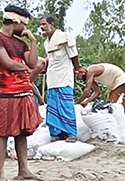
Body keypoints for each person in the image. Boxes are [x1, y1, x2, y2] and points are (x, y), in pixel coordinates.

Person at [0, 5, 43, 181]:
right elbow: (7, 63)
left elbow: (33, 62)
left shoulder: (21, 43)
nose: (26, 29)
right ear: (16, 22)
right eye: (24, 25)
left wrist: (33, 41)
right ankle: (0, 173)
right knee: (3, 132)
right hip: (7, 92)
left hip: (24, 92)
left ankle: (23, 170)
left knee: (22, 133)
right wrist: (25, 67)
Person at [40, 14, 80, 142]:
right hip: (52, 78)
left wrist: (77, 69)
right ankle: (57, 133)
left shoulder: (64, 38)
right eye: (40, 25)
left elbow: (74, 55)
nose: (42, 27)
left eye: (44, 24)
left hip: (64, 76)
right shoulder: (46, 42)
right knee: (53, 105)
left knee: (65, 104)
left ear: (52, 25)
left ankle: (71, 133)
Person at [75, 63, 125, 135]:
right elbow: (97, 92)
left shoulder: (91, 71)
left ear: (81, 72)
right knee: (114, 108)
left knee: (114, 108)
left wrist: (77, 103)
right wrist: (87, 101)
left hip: (121, 82)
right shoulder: (91, 75)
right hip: (116, 86)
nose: (80, 80)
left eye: (78, 77)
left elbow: (87, 91)